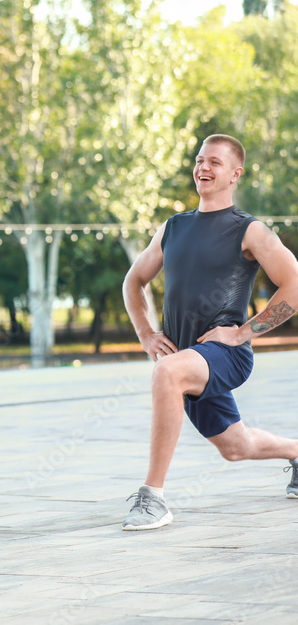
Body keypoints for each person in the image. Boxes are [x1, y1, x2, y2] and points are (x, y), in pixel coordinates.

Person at [122, 134, 298, 531]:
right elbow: (133, 282)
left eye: (215, 162)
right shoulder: (173, 228)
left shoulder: (250, 230)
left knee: (166, 373)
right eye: (200, 159)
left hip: (225, 354)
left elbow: (295, 285)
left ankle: (153, 499)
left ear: (235, 174)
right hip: (188, 357)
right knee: (237, 448)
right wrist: (147, 334)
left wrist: (242, 334)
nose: (203, 167)